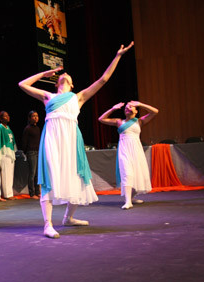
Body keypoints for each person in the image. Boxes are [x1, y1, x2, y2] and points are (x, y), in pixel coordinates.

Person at [18, 41, 134, 239]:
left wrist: (118, 56)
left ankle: (68, 218)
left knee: (76, 176)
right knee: (49, 178)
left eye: (68, 76)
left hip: (71, 141)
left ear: (72, 84)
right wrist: (43, 75)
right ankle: (47, 224)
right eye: (61, 76)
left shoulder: (78, 97)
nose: (64, 75)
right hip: (53, 140)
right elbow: (22, 84)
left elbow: (103, 79)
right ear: (56, 83)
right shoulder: (48, 96)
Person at [98, 101, 158, 209]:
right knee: (127, 173)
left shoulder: (139, 121)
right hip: (124, 150)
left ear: (136, 111)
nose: (128, 108)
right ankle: (128, 201)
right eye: (126, 107)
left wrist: (140, 104)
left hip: (136, 150)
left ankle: (131, 198)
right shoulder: (119, 121)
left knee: (136, 175)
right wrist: (113, 108)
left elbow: (155, 112)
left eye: (131, 107)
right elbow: (101, 119)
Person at [0, 111, 17, 200]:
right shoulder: (0, 128)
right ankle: (6, 194)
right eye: (5, 116)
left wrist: (15, 151)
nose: (7, 117)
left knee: (10, 174)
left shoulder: (8, 128)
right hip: (4, 153)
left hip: (10, 153)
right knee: (5, 174)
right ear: (1, 118)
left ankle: (10, 193)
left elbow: (13, 141)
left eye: (8, 115)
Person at [22, 111, 41, 200]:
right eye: (33, 116)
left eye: (36, 116)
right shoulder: (28, 128)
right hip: (31, 152)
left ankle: (38, 192)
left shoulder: (37, 128)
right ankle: (32, 193)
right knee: (32, 173)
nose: (35, 117)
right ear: (29, 118)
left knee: (37, 174)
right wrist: (25, 152)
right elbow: (24, 142)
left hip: (38, 152)